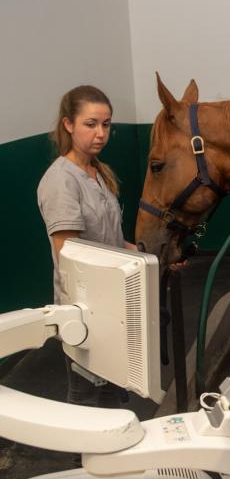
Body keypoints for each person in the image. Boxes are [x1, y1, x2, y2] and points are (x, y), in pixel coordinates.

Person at [37, 85, 137, 405]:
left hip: (113, 302)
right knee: (85, 394)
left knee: (111, 387)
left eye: (106, 124)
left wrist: (141, 255)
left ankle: (115, 437)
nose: (100, 134)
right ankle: (83, 443)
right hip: (85, 307)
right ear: (68, 124)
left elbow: (109, 239)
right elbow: (69, 254)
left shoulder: (98, 173)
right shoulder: (61, 180)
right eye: (90, 124)